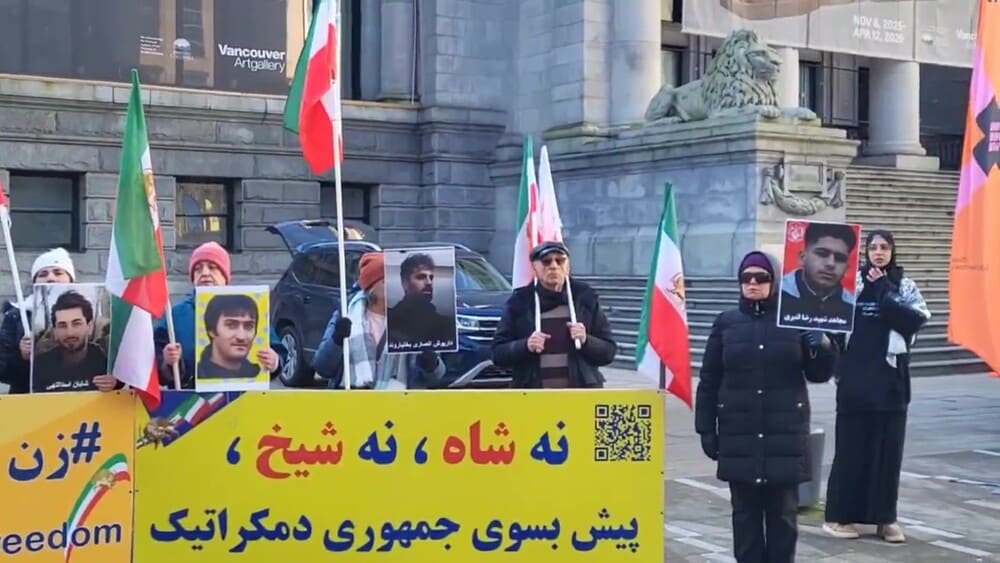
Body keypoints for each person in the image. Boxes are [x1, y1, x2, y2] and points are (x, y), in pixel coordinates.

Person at [695, 250, 838, 563]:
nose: (753, 283)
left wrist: (824, 346)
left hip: (783, 437)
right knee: (745, 520)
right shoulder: (726, 323)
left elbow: (818, 374)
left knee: (783, 520)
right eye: (746, 277)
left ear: (774, 281)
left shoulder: (795, 321)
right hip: (740, 436)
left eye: (761, 277)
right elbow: (709, 380)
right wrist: (706, 429)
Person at [822, 230, 930, 544]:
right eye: (873, 247)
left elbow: (912, 321)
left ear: (892, 251)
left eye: (884, 247)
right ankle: (840, 516)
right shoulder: (850, 283)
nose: (878, 252)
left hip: (891, 386)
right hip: (855, 383)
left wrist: (883, 291)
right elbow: (832, 323)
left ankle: (885, 519)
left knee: (888, 455)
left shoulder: (904, 286)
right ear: (865, 251)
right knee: (850, 451)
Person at [154, 242, 286, 389]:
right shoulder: (176, 314)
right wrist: (167, 362)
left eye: (212, 267)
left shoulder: (250, 307)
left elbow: (276, 350)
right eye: (198, 269)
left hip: (242, 398)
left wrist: (275, 362)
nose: (204, 273)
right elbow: (155, 357)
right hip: (189, 398)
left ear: (225, 277)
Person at [313, 251, 447, 389]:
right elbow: (322, 368)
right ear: (372, 286)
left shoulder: (416, 319)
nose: (393, 286)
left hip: (397, 401)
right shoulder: (346, 314)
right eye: (386, 281)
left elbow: (436, 377)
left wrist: (430, 363)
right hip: (352, 400)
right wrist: (337, 340)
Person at [491, 241, 616, 389]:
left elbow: (609, 352)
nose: (554, 266)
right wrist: (525, 345)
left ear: (567, 265)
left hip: (580, 393)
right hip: (532, 394)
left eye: (560, 261)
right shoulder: (520, 301)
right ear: (535, 267)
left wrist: (586, 340)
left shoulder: (584, 298)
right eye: (546, 261)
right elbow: (497, 354)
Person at [0, 248, 77, 394]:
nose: (50, 278)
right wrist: (22, 357)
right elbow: (3, 371)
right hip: (29, 401)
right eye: (43, 274)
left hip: (79, 400)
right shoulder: (17, 316)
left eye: (58, 273)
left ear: (71, 280)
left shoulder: (91, 313)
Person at [32, 290, 119, 393]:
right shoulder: (40, 366)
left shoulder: (106, 364)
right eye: (62, 325)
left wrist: (116, 385)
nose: (70, 333)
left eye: (76, 324)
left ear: (90, 327)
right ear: (55, 331)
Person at [779, 222, 857, 329]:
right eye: (822, 254)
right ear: (802, 258)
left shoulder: (853, 305)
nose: (831, 264)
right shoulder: (778, 294)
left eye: (840, 258)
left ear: (847, 268)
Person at [386, 252, 455, 348]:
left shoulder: (445, 324)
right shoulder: (390, 321)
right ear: (405, 282)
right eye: (421, 277)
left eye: (431, 277)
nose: (429, 282)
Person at [197, 294, 264, 379]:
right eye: (231, 325)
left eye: (249, 326)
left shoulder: (257, 373)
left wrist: (275, 365)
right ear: (212, 330)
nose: (241, 336)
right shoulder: (197, 374)